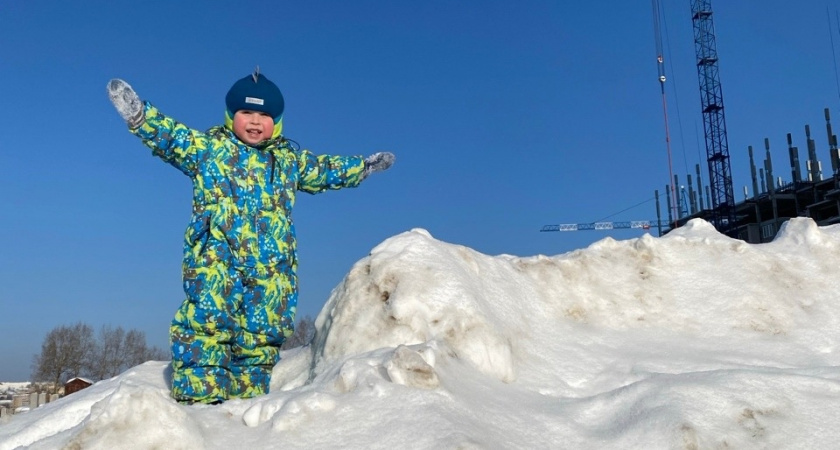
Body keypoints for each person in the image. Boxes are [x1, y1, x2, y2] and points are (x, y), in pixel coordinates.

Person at [106, 69, 395, 404]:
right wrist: (140, 117)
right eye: (246, 112)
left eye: (264, 115)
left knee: (261, 336)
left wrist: (362, 167)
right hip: (216, 262)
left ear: (277, 122)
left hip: (271, 271)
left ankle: (245, 410)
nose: (255, 122)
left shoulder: (287, 161)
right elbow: (173, 138)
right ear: (231, 116)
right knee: (207, 326)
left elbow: (323, 169)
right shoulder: (209, 149)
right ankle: (201, 404)